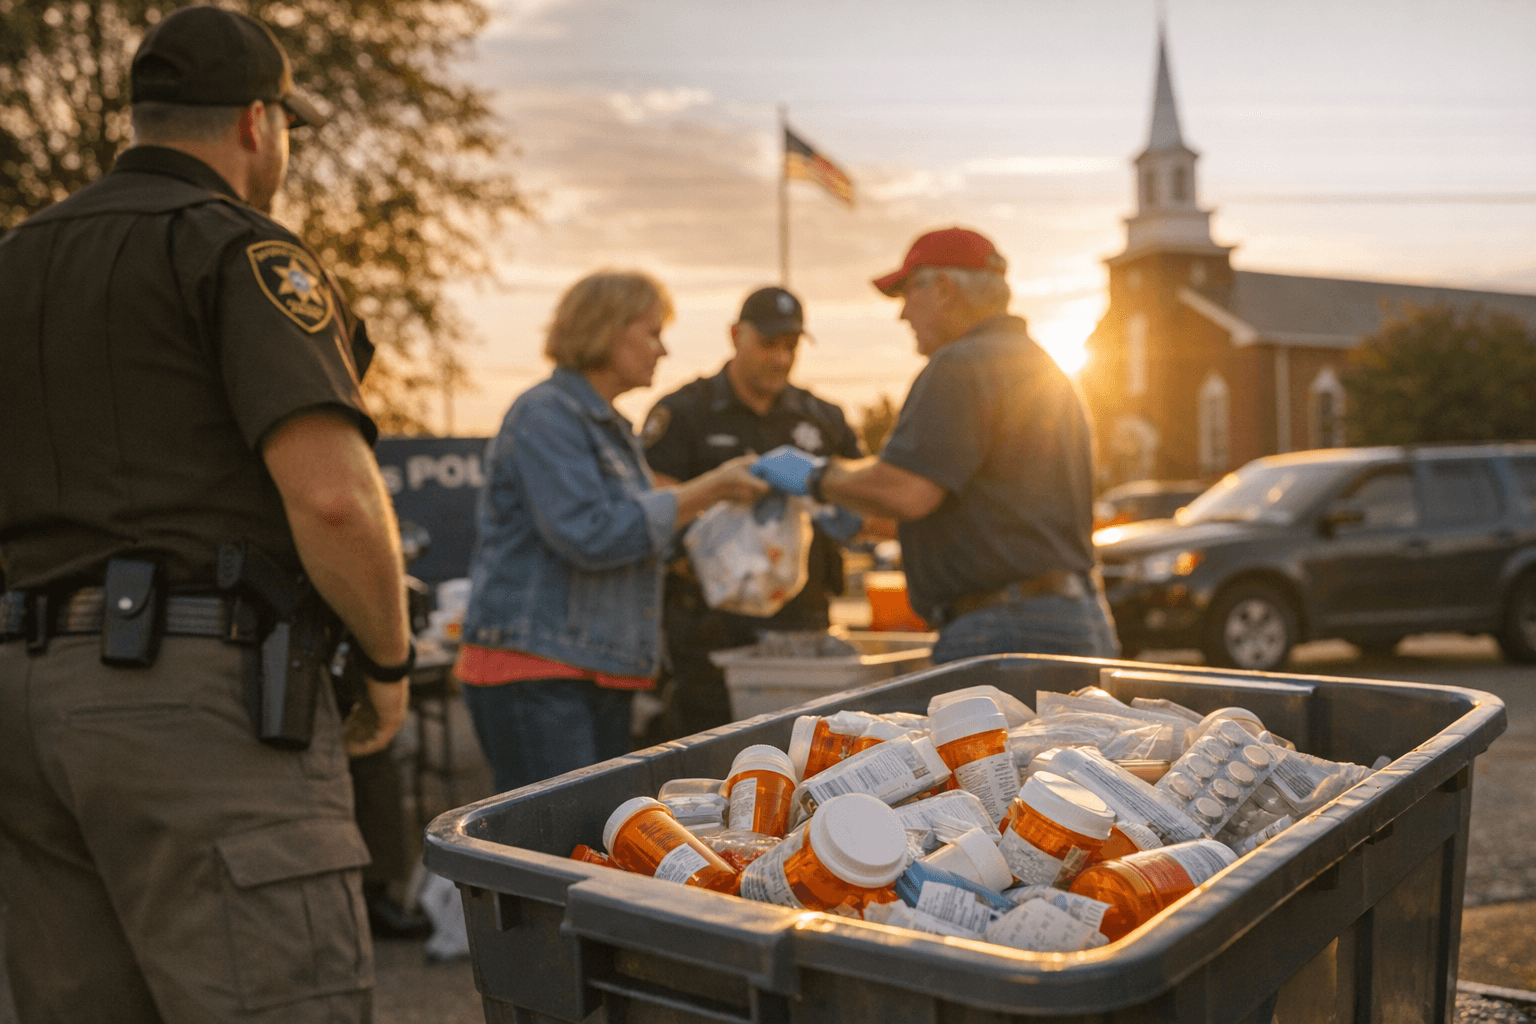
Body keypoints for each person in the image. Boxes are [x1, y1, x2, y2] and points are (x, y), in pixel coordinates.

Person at [0, 7, 414, 1021]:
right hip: (197, 704)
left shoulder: (13, 261)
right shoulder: (238, 250)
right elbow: (332, 495)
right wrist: (389, 667)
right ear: (257, 123)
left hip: (22, 697)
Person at [454, 270, 768, 794]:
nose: (663, 349)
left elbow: (638, 538)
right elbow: (590, 534)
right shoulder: (546, 414)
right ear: (605, 329)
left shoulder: (607, 427)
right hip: (540, 676)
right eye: (651, 332)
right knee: (555, 856)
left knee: (583, 845)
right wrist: (709, 489)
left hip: (584, 672)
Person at [751, 227, 1119, 664]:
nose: (903, 314)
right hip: (1078, 616)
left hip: (1003, 626)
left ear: (943, 289)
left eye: (908, 293)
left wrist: (814, 477)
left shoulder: (960, 364)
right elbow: (992, 512)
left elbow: (906, 491)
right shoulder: (1043, 367)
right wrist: (859, 518)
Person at [640, 286, 864, 737]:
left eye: (791, 346)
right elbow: (650, 512)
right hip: (708, 631)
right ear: (735, 335)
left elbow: (869, 509)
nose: (780, 359)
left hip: (801, 624)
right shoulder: (683, 413)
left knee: (804, 755)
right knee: (709, 760)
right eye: (768, 343)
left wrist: (842, 506)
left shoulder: (823, 418)